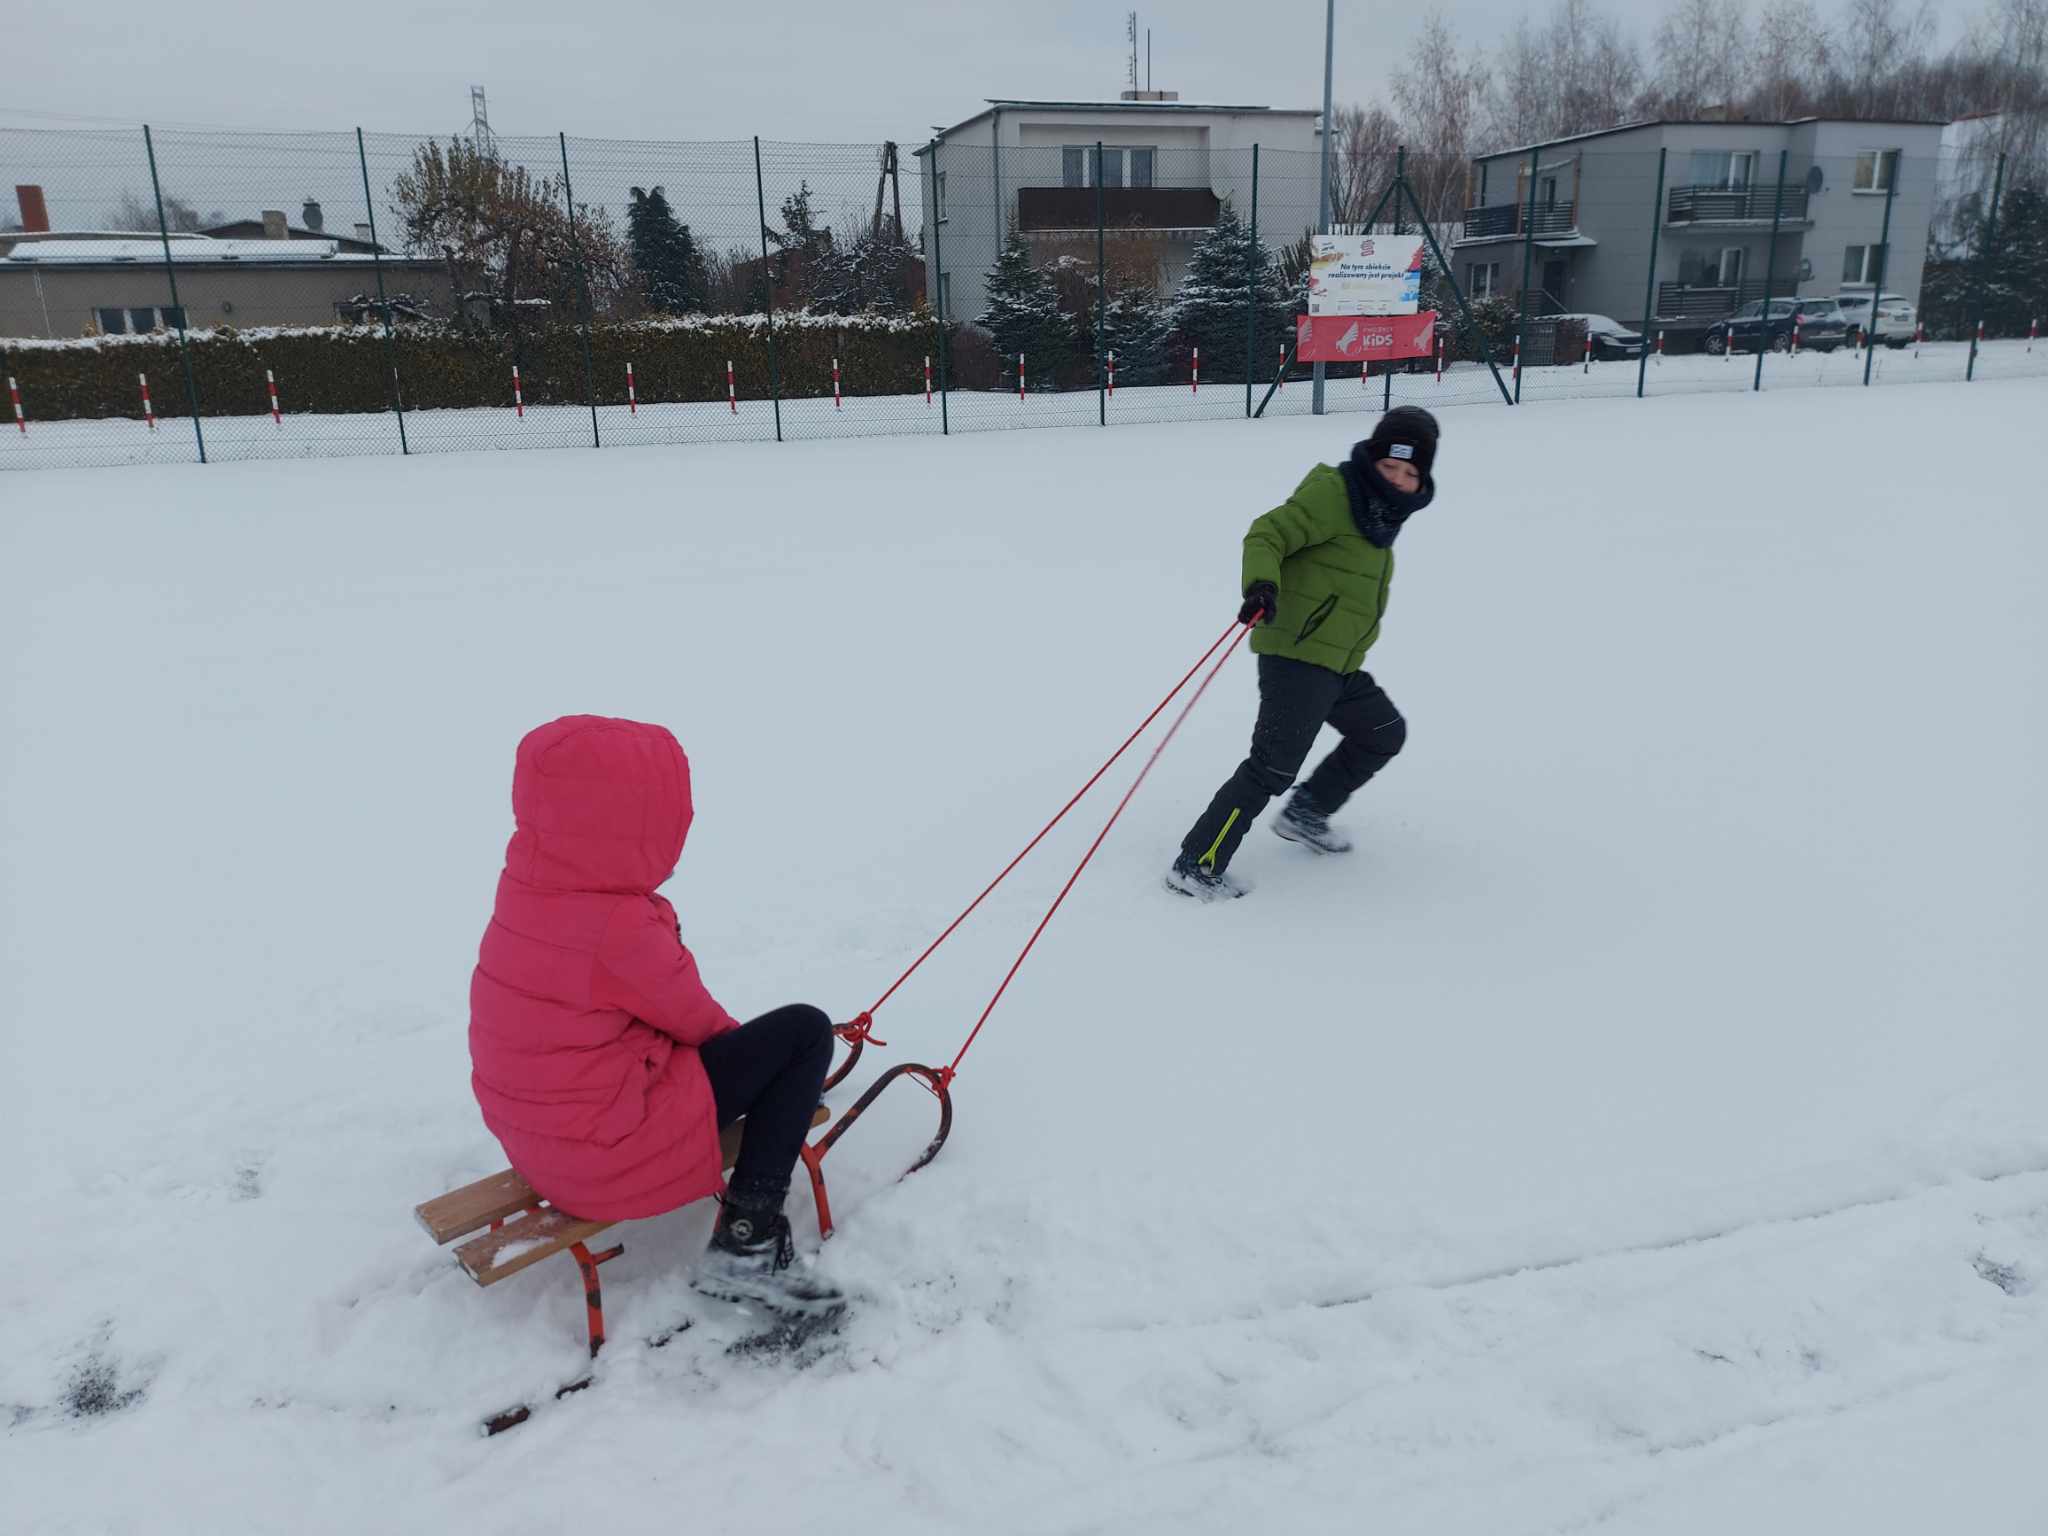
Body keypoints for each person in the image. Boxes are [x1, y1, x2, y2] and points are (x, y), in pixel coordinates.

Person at [468, 714, 844, 1318]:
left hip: (539, 1141)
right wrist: (769, 1071)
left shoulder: (528, 889)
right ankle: (746, 1250)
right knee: (803, 1034)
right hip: (602, 1151)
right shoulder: (616, 926)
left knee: (766, 1049)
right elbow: (696, 1021)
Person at [1168, 406, 1439, 900]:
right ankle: (1197, 863)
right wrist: (1262, 586)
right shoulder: (1335, 494)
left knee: (1382, 732)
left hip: (1337, 664)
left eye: (1410, 473)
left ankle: (1306, 812)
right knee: (1271, 767)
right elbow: (1268, 533)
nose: (1397, 480)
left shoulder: (1381, 521)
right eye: (1389, 467)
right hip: (1297, 656)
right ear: (1372, 461)